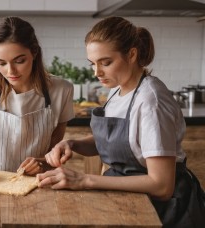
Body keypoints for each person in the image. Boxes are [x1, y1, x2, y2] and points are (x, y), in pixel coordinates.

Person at [37, 16, 205, 227]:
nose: (97, 72)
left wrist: (85, 180)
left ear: (132, 54)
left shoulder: (151, 101)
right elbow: (119, 141)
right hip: (125, 197)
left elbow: (162, 185)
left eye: (106, 63)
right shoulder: (118, 89)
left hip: (164, 211)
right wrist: (73, 144)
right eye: (93, 64)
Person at [0, 16, 74, 177]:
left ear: (34, 52)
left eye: (19, 61)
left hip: (38, 182)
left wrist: (41, 162)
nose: (10, 71)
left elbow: (53, 153)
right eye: (1, 63)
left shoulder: (62, 90)